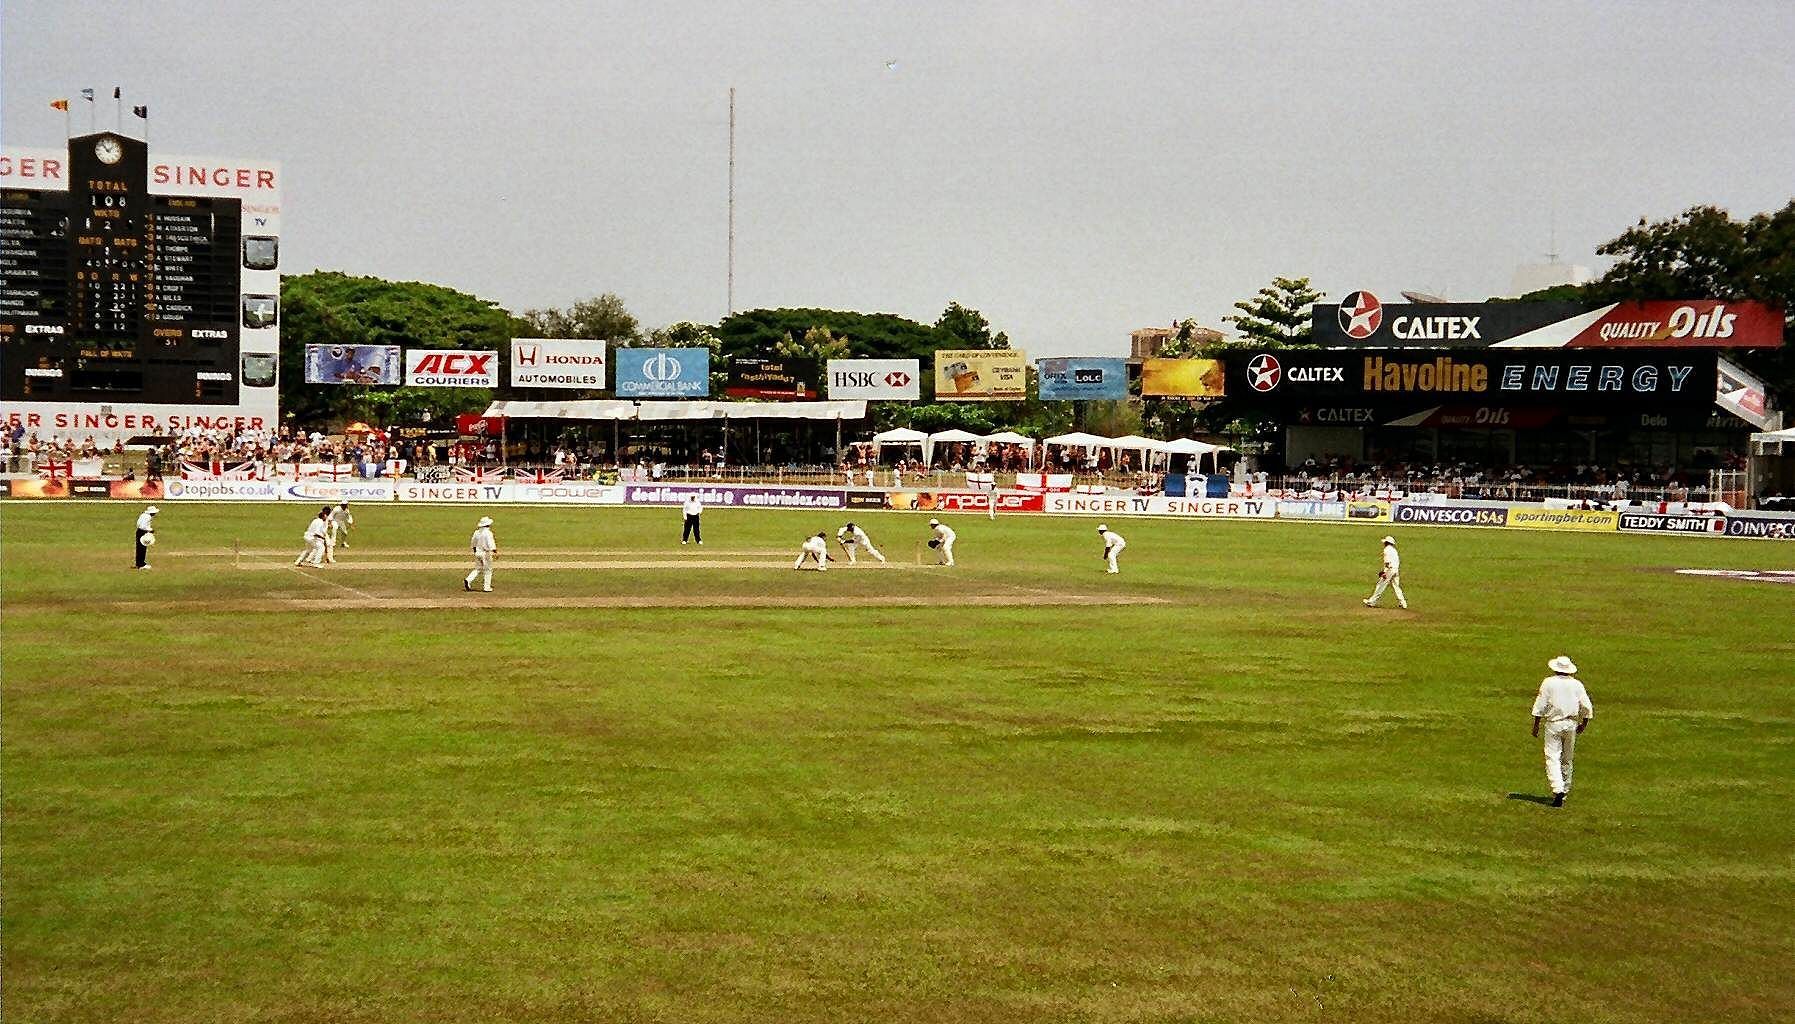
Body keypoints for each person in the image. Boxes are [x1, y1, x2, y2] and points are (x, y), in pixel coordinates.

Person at [1531, 655, 1594, 806]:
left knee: (1552, 756)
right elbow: (1586, 705)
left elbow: (1541, 704)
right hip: (1571, 724)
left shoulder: (1548, 683)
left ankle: (1558, 789)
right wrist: (1584, 723)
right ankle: (1564, 791)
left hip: (1554, 724)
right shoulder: (1577, 684)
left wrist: (1536, 724)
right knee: (1567, 758)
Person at [1363, 535, 1407, 609]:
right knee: (1396, 586)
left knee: (1380, 585)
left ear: (1386, 543)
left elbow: (1387, 562)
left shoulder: (1386, 550)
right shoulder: (1394, 550)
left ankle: (1372, 602)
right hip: (1396, 570)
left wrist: (1384, 572)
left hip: (1390, 570)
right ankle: (1403, 603)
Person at [465, 515, 498, 592]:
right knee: (488, 570)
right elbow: (491, 543)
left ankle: (468, 579)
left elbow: (473, 543)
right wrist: (495, 551)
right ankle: (487, 587)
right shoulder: (488, 533)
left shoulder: (477, 532)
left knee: (477, 568)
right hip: (485, 553)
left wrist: (475, 551)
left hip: (478, 552)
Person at [133, 505, 159, 570]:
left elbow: (138, 524)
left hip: (139, 531)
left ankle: (138, 563)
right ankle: (141, 564)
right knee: (142, 548)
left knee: (139, 548)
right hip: (142, 532)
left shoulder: (143, 515)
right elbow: (143, 526)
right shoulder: (148, 517)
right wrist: (150, 530)